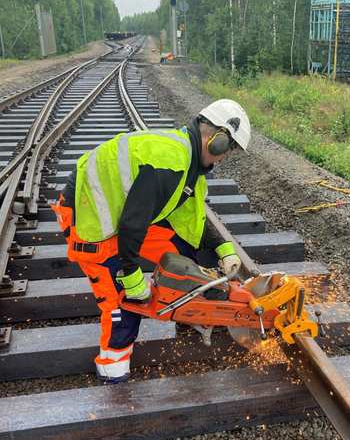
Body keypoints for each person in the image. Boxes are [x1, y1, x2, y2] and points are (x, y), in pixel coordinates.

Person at [52, 99, 251, 384]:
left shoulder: (187, 163)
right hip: (92, 221)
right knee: (124, 303)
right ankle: (112, 369)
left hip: (124, 215)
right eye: (227, 152)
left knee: (184, 250)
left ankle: (193, 309)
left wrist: (224, 249)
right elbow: (132, 225)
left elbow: (192, 221)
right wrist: (133, 280)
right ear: (217, 139)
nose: (223, 159)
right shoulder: (169, 162)